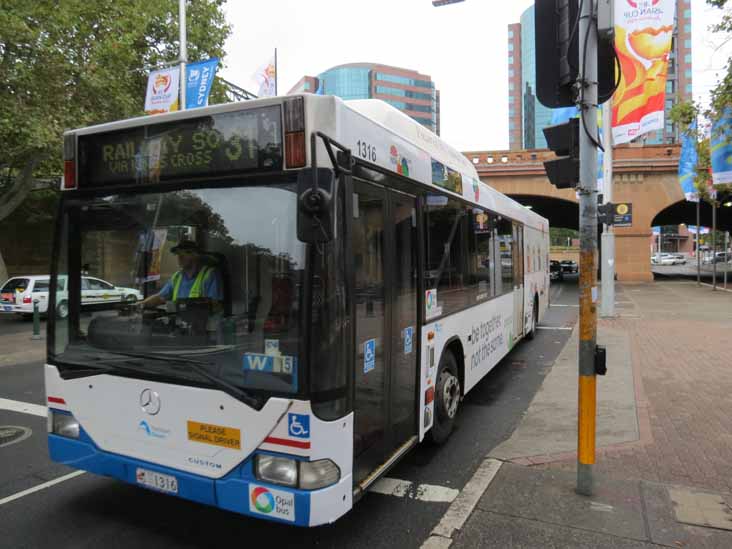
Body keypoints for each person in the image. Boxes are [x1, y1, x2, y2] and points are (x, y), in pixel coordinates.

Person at [139, 240, 222, 309]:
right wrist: (140, 305)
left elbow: (215, 304)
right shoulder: (177, 277)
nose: (179, 257)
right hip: (180, 325)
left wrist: (181, 306)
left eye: (184, 254)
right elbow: (160, 297)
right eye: (178, 254)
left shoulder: (210, 275)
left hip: (203, 326)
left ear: (196, 255)